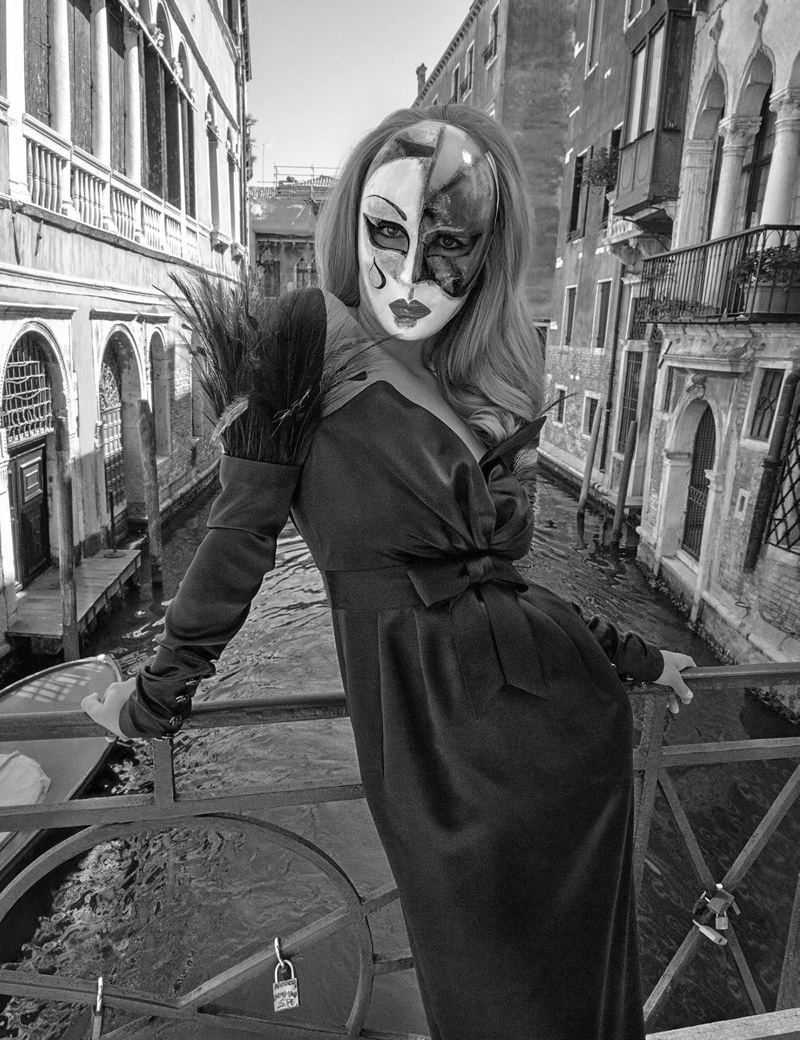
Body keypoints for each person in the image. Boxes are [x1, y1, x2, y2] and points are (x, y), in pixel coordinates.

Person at [83, 106, 695, 1040]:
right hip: (430, 751)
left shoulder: (488, 378)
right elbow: (239, 535)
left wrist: (639, 657)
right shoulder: (304, 337)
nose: (410, 275)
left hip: (562, 733)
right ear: (352, 223)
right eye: (388, 230)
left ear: (488, 254)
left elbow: (507, 587)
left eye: (449, 243)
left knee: (573, 992)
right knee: (487, 999)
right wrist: (154, 697)